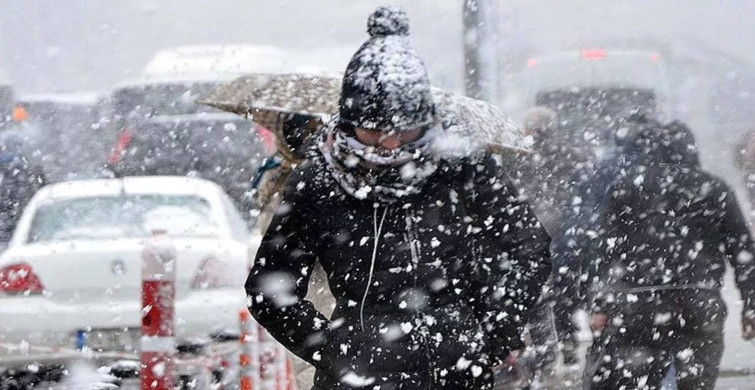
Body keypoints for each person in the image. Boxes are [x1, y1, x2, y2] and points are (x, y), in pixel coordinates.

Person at [245, 6, 552, 390]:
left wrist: (495, 331)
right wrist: (335, 351)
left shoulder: (461, 166)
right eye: (373, 131)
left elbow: (528, 246)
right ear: (347, 119)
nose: (389, 144)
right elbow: (269, 289)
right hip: (357, 377)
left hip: (457, 373)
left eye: (404, 132)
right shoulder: (319, 181)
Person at [583, 120, 755, 390]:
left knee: (636, 378)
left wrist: (599, 304)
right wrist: (750, 303)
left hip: (637, 302)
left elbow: (603, 249)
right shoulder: (713, 188)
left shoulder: (626, 188)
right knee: (695, 379)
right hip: (698, 299)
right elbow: (742, 249)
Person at [515, 107, 591, 371]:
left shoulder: (518, 154)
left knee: (537, 293)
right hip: (565, 230)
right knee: (565, 288)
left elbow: (514, 192)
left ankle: (543, 354)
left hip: (531, 231)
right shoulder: (572, 152)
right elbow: (584, 191)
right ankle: (568, 341)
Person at [0, 130, 47, 247]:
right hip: (26, 222)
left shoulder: (7, 168)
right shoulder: (29, 166)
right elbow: (43, 189)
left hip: (7, 222)